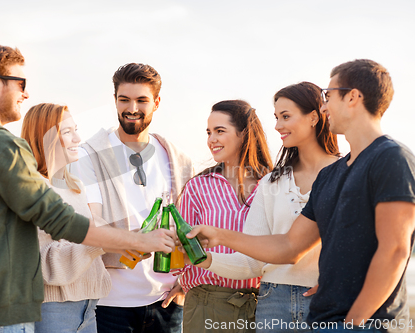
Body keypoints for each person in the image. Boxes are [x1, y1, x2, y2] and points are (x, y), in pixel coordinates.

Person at [0, 44, 174, 332]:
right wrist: (137, 241)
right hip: (3, 310)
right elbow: (59, 220)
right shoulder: (2, 145)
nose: (25, 94)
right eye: (21, 84)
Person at [188, 59, 415, 333]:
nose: (324, 106)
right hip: (316, 315)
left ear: (353, 97)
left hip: (366, 321)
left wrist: (353, 322)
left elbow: (395, 250)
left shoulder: (391, 158)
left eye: (328, 96)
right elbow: (289, 247)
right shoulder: (333, 176)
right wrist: (218, 237)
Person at [192, 83, 339, 332]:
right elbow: (251, 263)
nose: (277, 126)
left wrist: (340, 282)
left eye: (285, 116)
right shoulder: (271, 182)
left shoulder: (347, 173)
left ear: (314, 117)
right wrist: (202, 259)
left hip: (330, 303)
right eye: (276, 117)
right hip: (274, 303)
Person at [71, 63, 194, 333]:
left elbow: (191, 224)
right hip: (110, 302)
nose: (132, 108)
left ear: (157, 103)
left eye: (142, 100)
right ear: (114, 101)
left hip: (166, 302)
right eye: (124, 99)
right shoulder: (88, 155)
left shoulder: (178, 159)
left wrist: (187, 279)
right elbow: (93, 224)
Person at [177, 100, 273, 333]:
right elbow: (181, 252)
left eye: (220, 131)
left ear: (244, 134)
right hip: (208, 303)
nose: (211, 139)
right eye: (209, 132)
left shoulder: (272, 184)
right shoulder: (197, 187)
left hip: (264, 305)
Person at [21, 103, 112, 333]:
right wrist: (100, 241)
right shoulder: (33, 189)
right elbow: (44, 261)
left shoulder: (76, 187)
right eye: (67, 132)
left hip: (90, 308)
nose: (78, 139)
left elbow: (83, 244)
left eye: (76, 129)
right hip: (54, 311)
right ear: (46, 137)